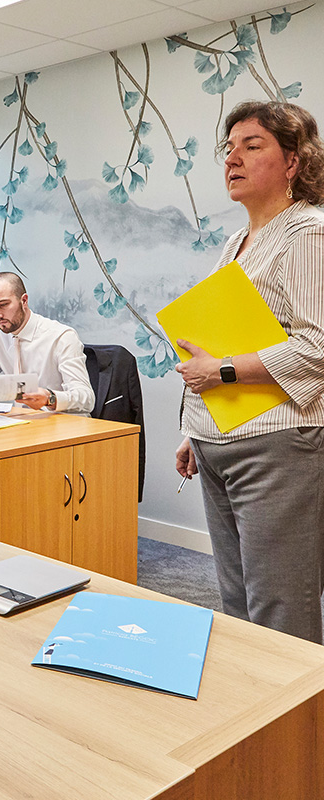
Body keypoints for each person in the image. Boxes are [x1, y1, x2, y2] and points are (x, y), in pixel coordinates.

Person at [174, 101, 324, 644]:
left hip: (278, 445)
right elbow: (216, 348)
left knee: (280, 608)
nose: (232, 158)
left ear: (293, 162)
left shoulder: (307, 232)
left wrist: (225, 375)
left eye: (251, 145)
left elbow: (318, 347)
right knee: (236, 602)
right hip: (219, 444)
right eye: (229, 148)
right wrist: (195, 428)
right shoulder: (234, 243)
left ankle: (299, 728)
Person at [0, 272, 94, 413]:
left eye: (3, 305)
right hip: (25, 424)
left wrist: (50, 398)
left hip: (67, 427)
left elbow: (86, 398)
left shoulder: (61, 337)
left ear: (24, 300)